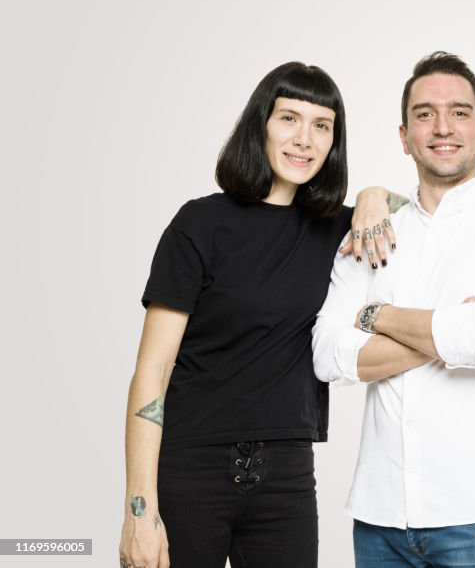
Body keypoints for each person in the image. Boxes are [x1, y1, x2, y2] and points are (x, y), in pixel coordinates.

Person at [312, 51, 475, 567]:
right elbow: (327, 355)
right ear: (404, 136)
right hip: (380, 517)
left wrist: (373, 315)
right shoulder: (372, 231)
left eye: (460, 112)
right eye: (425, 114)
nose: (443, 127)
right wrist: (445, 330)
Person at [119, 62, 353, 568]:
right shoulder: (199, 225)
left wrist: (376, 198)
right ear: (261, 125)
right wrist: (139, 510)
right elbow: (153, 372)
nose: (304, 139)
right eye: (289, 118)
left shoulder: (337, 229)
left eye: (322, 126)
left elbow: (425, 212)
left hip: (287, 477)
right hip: (189, 469)